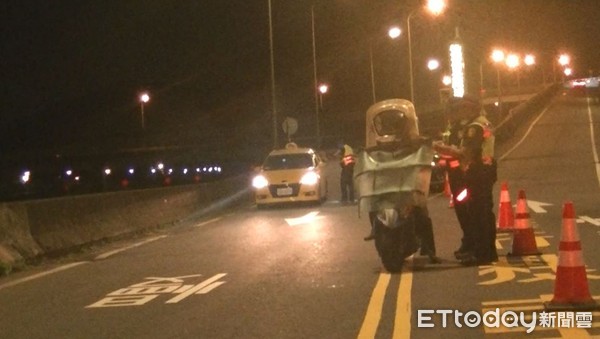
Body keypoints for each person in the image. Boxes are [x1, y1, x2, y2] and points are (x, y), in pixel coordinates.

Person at [433, 94, 498, 265]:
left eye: (465, 108)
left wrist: (441, 148)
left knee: (478, 214)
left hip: (478, 172)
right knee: (483, 212)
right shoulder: (482, 122)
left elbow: (466, 153)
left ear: (472, 108)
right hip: (484, 171)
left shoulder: (475, 127)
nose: (462, 111)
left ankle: (481, 253)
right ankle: (486, 252)